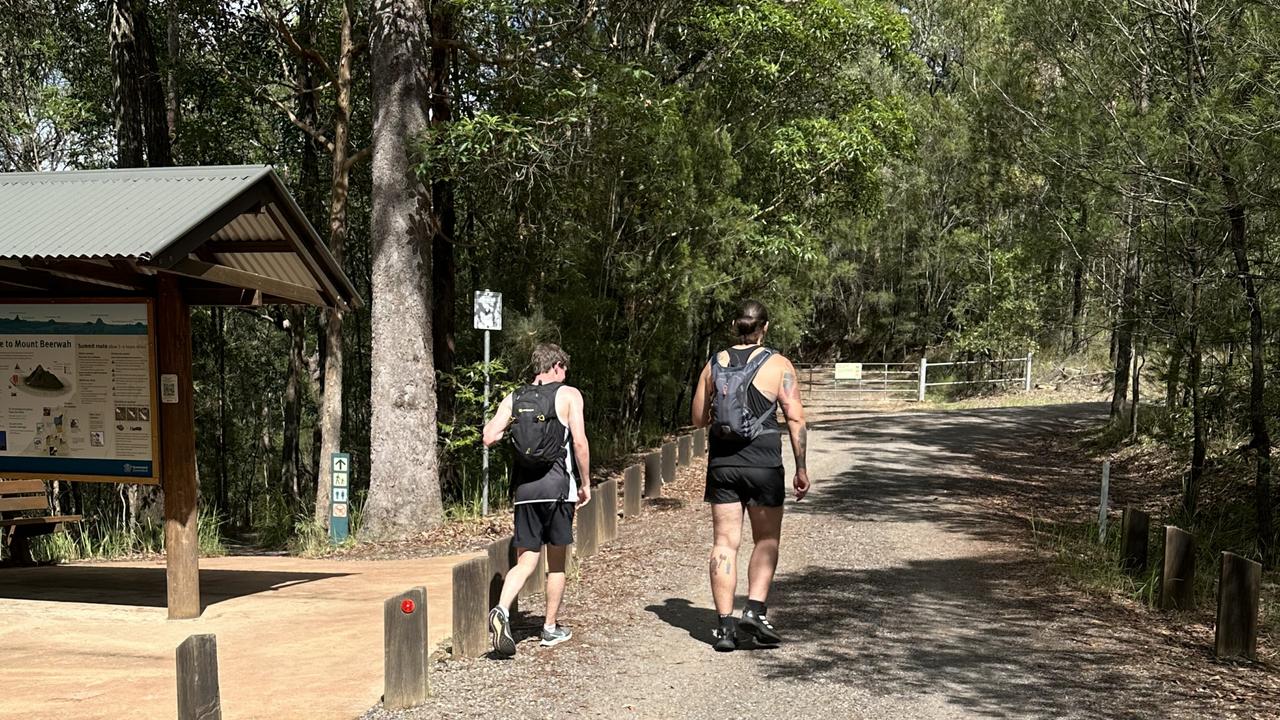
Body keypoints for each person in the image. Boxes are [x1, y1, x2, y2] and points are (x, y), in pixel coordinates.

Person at [691, 300, 810, 652]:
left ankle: (725, 627)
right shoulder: (778, 364)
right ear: (766, 327)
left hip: (723, 466)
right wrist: (801, 466)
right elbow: (795, 418)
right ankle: (755, 611)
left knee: (724, 543)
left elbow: (698, 418)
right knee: (766, 540)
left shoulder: (714, 363)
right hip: (764, 464)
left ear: (734, 325)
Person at [482, 343, 591, 657]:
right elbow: (580, 443)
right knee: (556, 563)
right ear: (557, 365)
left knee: (526, 560)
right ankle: (550, 628)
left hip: (525, 493)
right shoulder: (569, 395)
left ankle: (501, 610)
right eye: (564, 369)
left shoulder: (514, 397)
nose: (565, 374)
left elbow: (489, 436)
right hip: (558, 489)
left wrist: (508, 431)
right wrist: (586, 483)